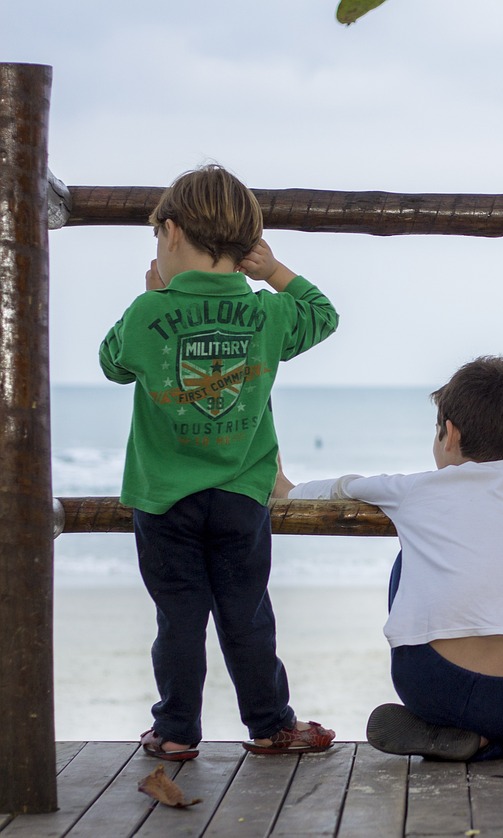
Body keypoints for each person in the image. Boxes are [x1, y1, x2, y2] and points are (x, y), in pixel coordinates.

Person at [98, 164, 340, 761]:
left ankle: (177, 730)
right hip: (240, 496)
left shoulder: (148, 313)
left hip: (165, 499)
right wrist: (274, 270)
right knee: (247, 614)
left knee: (178, 618)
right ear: (243, 245)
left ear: (172, 232)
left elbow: (111, 361)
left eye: (158, 237)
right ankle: (270, 724)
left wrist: (152, 295)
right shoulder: (267, 313)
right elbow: (323, 312)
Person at [282, 356, 503, 761]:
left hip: (429, 684)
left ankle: (457, 734)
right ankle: (489, 746)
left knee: (409, 557)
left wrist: (285, 488)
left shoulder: (411, 490)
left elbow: (338, 490)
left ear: (449, 434)